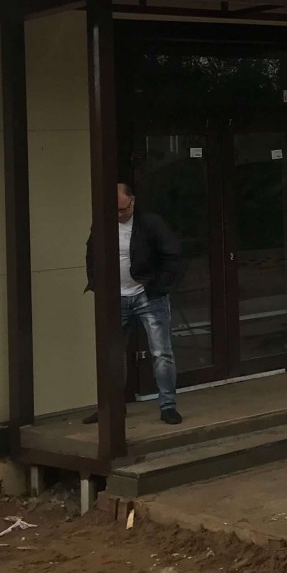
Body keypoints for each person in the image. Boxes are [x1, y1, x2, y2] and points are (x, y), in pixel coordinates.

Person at [83, 182, 184, 425]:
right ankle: (113, 407)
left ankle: (168, 405)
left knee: (161, 352)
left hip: (147, 294)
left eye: (123, 209)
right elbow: (91, 253)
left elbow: (172, 254)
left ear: (133, 201)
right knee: (112, 353)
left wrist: (159, 286)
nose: (119, 215)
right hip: (115, 296)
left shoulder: (150, 223)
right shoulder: (102, 224)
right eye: (114, 210)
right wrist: (97, 283)